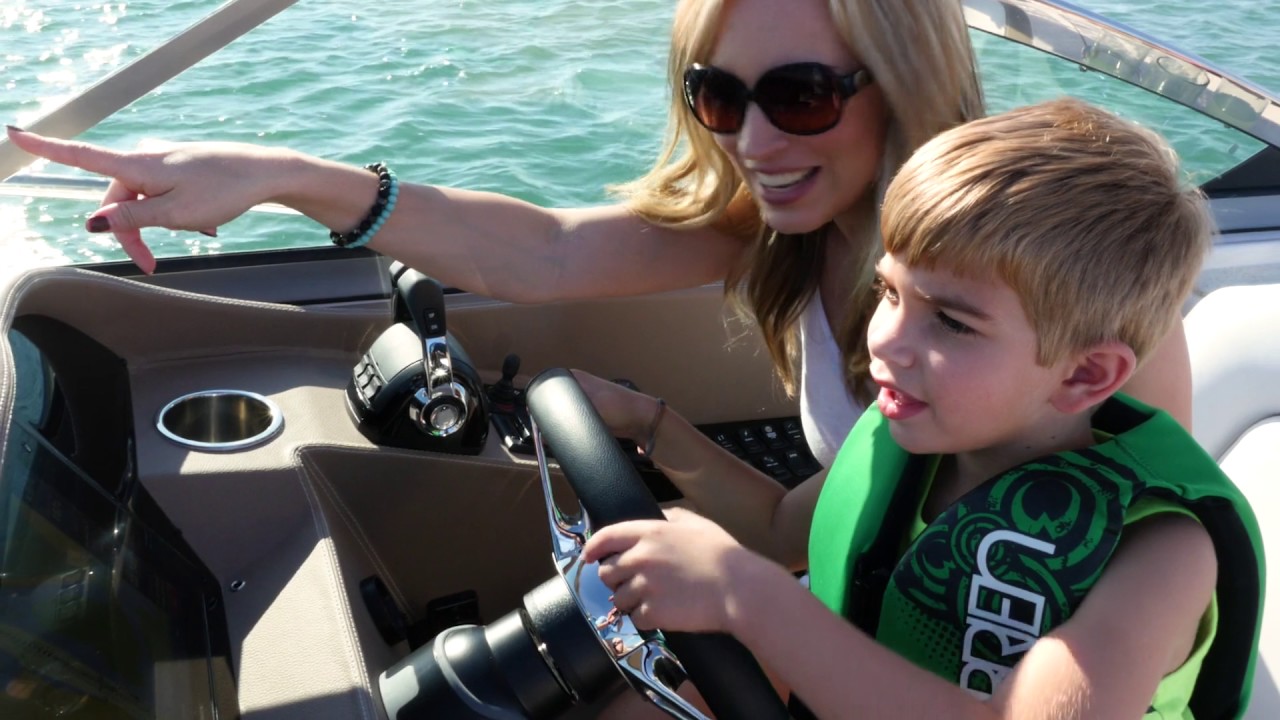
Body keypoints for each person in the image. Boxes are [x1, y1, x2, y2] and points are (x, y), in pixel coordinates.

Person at [4, 0, 1193, 566]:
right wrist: (276, 174)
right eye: (715, 96)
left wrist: (750, 607)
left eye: (800, 97)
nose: (752, 142)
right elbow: (544, 253)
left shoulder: (1050, 305)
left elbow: (1132, 575)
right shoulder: (788, 227)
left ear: (905, 81)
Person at [582, 98, 1264, 719]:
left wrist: (744, 595)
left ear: (1086, 374)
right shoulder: (919, 441)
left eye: (953, 322)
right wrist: (650, 425)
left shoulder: (1163, 555)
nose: (885, 340)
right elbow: (777, 529)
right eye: (888, 292)